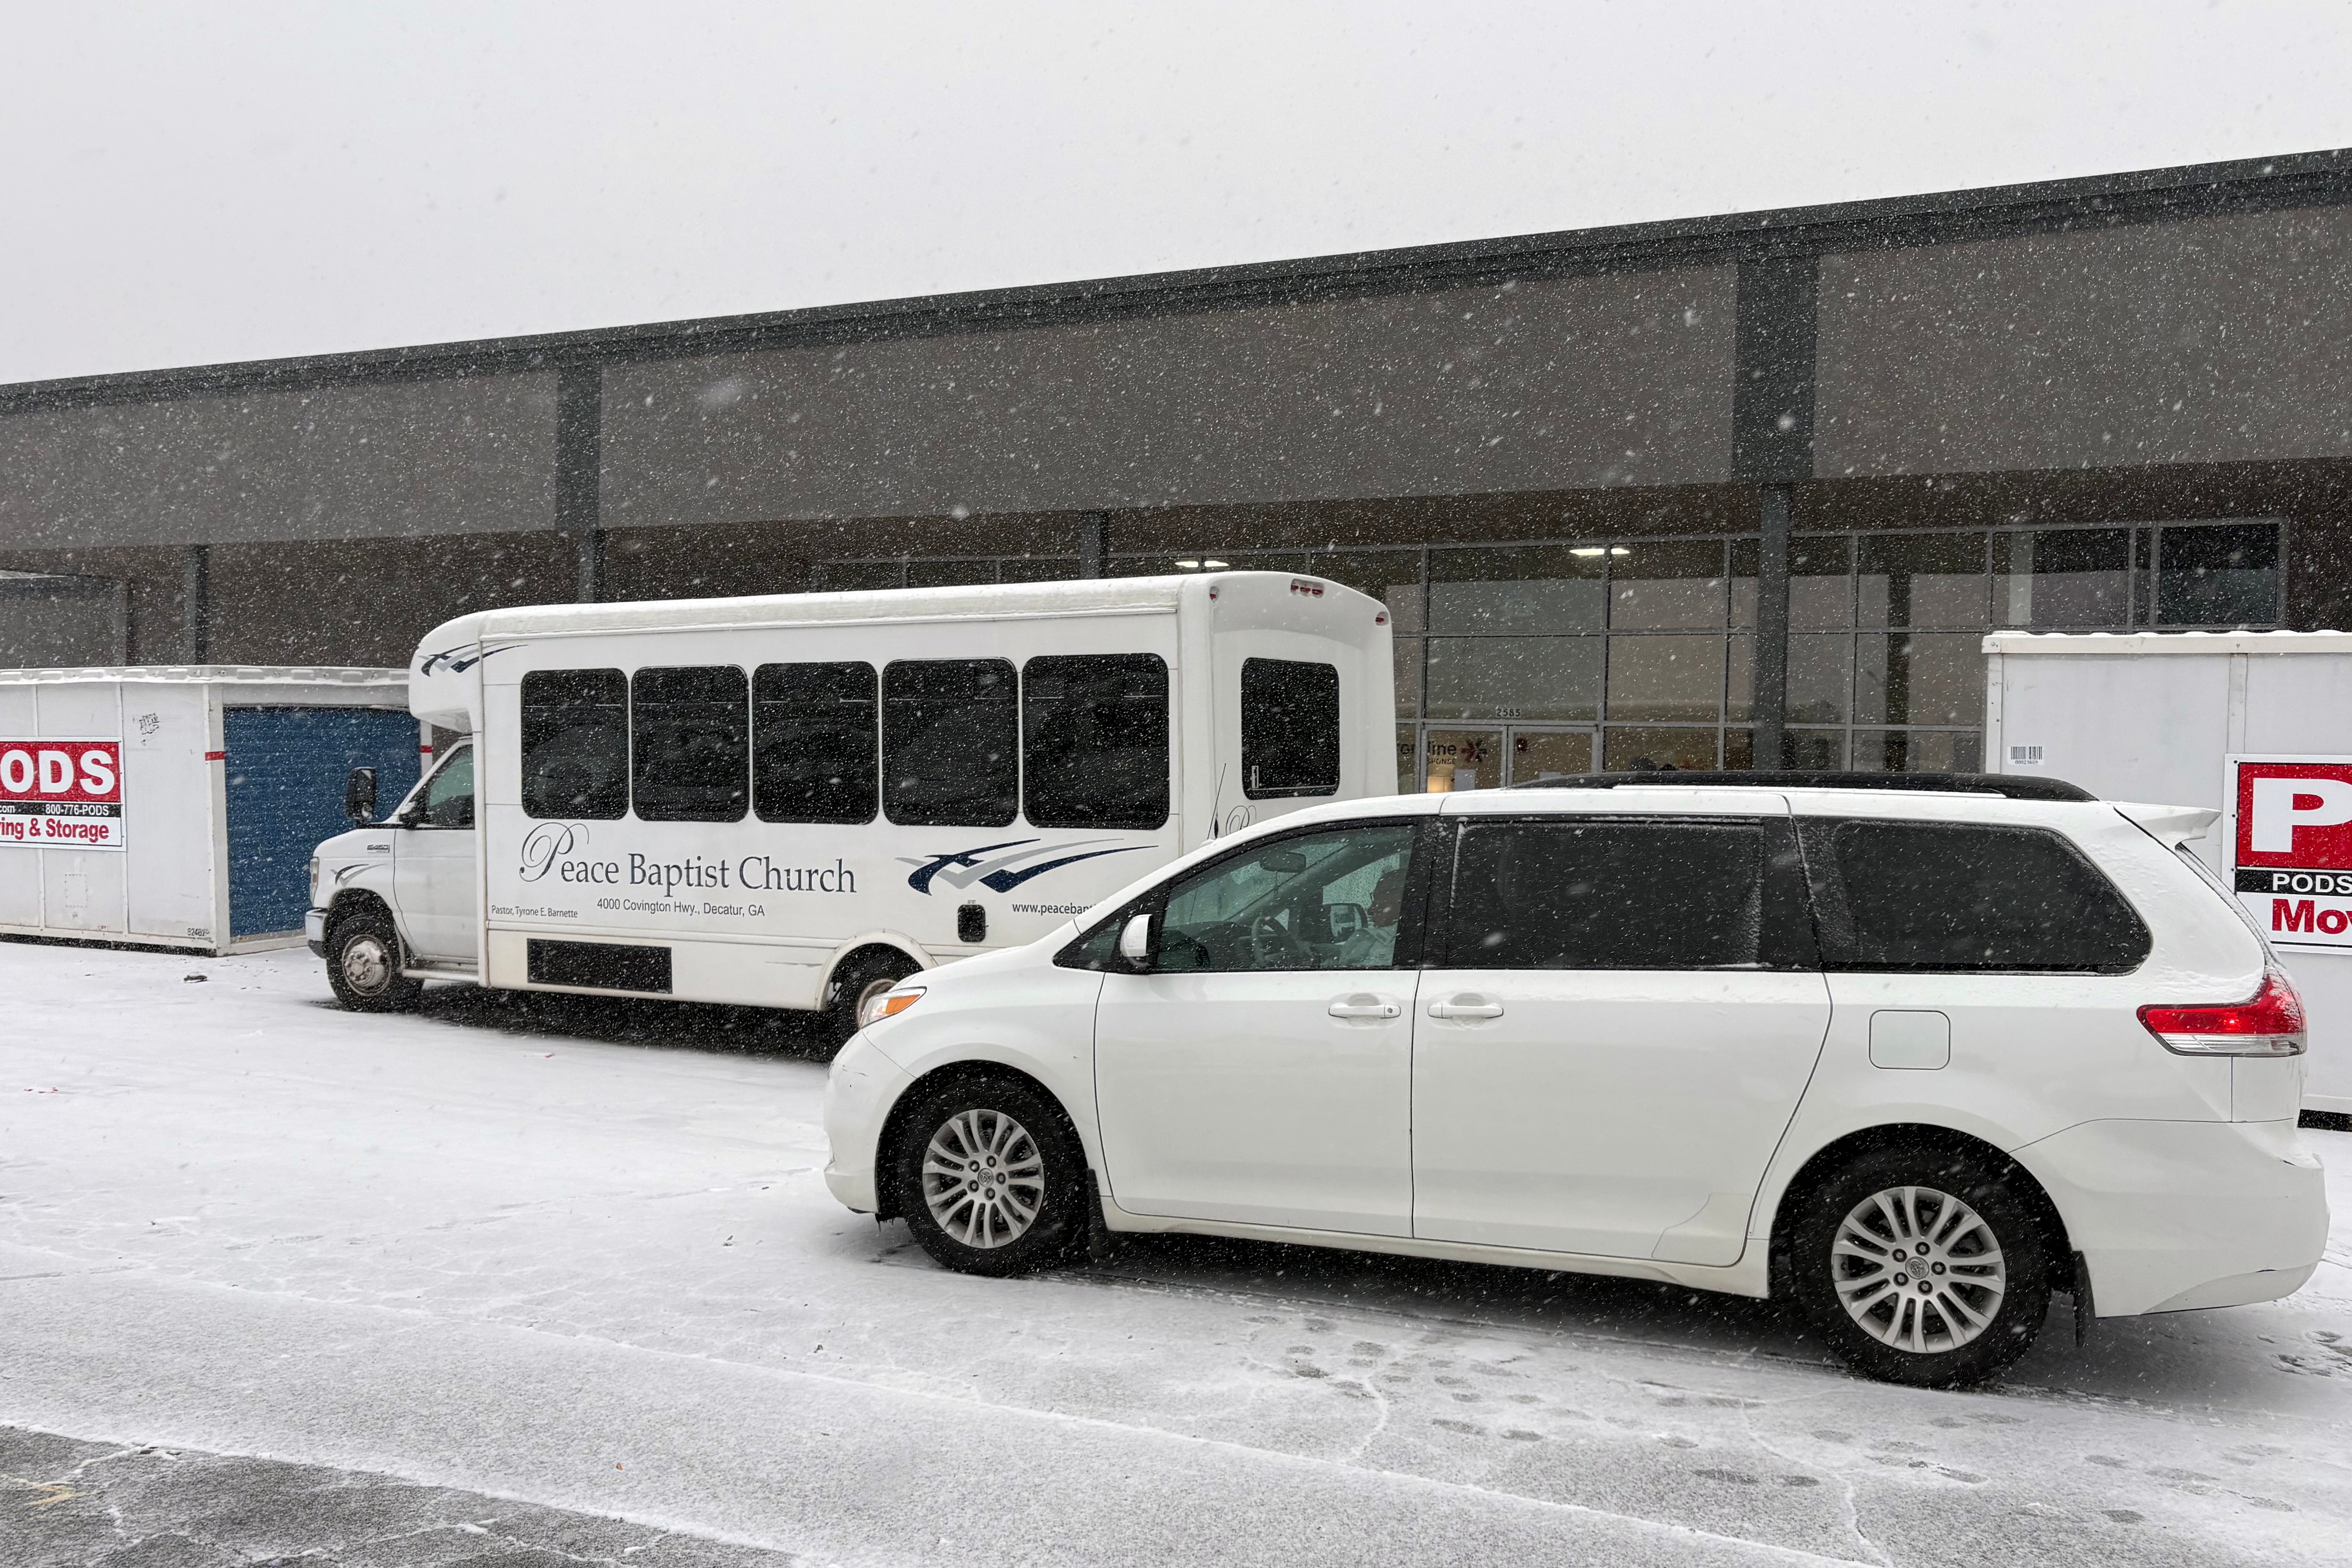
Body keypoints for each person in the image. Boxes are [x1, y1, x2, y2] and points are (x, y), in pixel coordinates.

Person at [1331, 863, 1408, 968]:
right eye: (1374, 899)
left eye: (1380, 900)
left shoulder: (1384, 945)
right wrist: (1314, 947)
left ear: (1403, 901)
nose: (1370, 910)